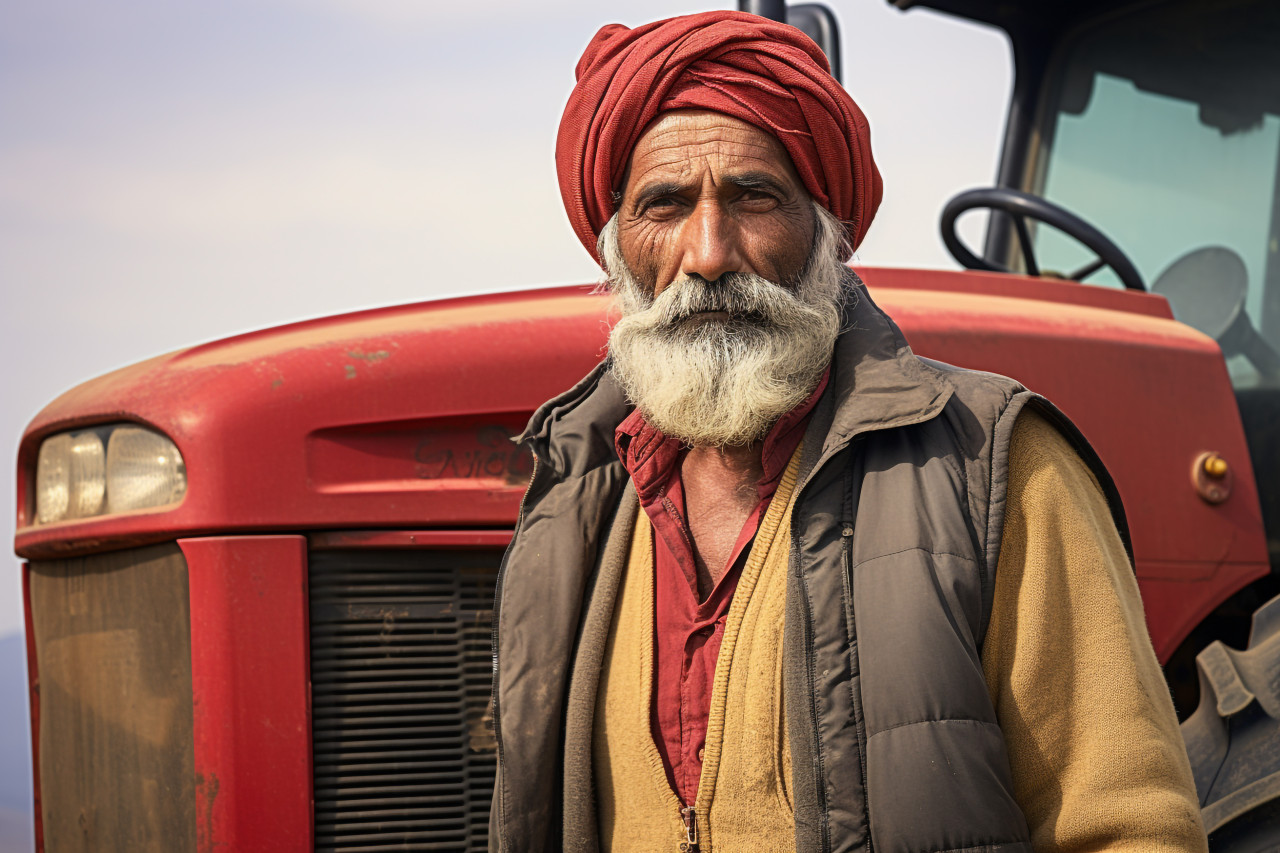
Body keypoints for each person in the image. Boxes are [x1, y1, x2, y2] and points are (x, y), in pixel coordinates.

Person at [490, 10, 1206, 852]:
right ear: (616, 247)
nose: (709, 250)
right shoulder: (579, 505)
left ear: (827, 228)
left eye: (756, 197)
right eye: (666, 205)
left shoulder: (993, 467)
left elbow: (1129, 828)